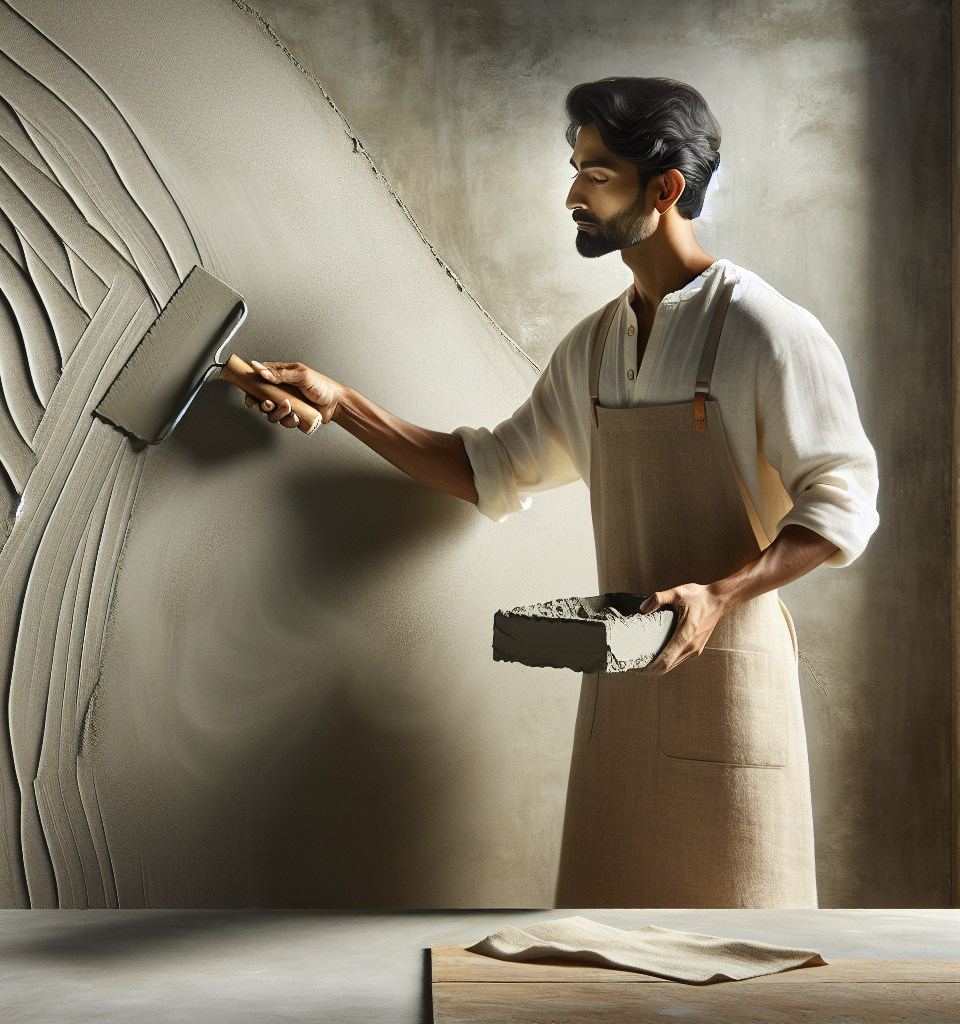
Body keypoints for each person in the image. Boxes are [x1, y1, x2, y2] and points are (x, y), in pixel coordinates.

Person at [240, 77, 879, 908]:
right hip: (620, 693)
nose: (572, 192)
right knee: (602, 959)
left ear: (666, 188)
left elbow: (842, 505)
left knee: (739, 959)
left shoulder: (765, 330)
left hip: (730, 690)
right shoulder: (593, 347)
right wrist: (343, 403)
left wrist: (721, 593)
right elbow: (488, 468)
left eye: (596, 173)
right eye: (574, 168)